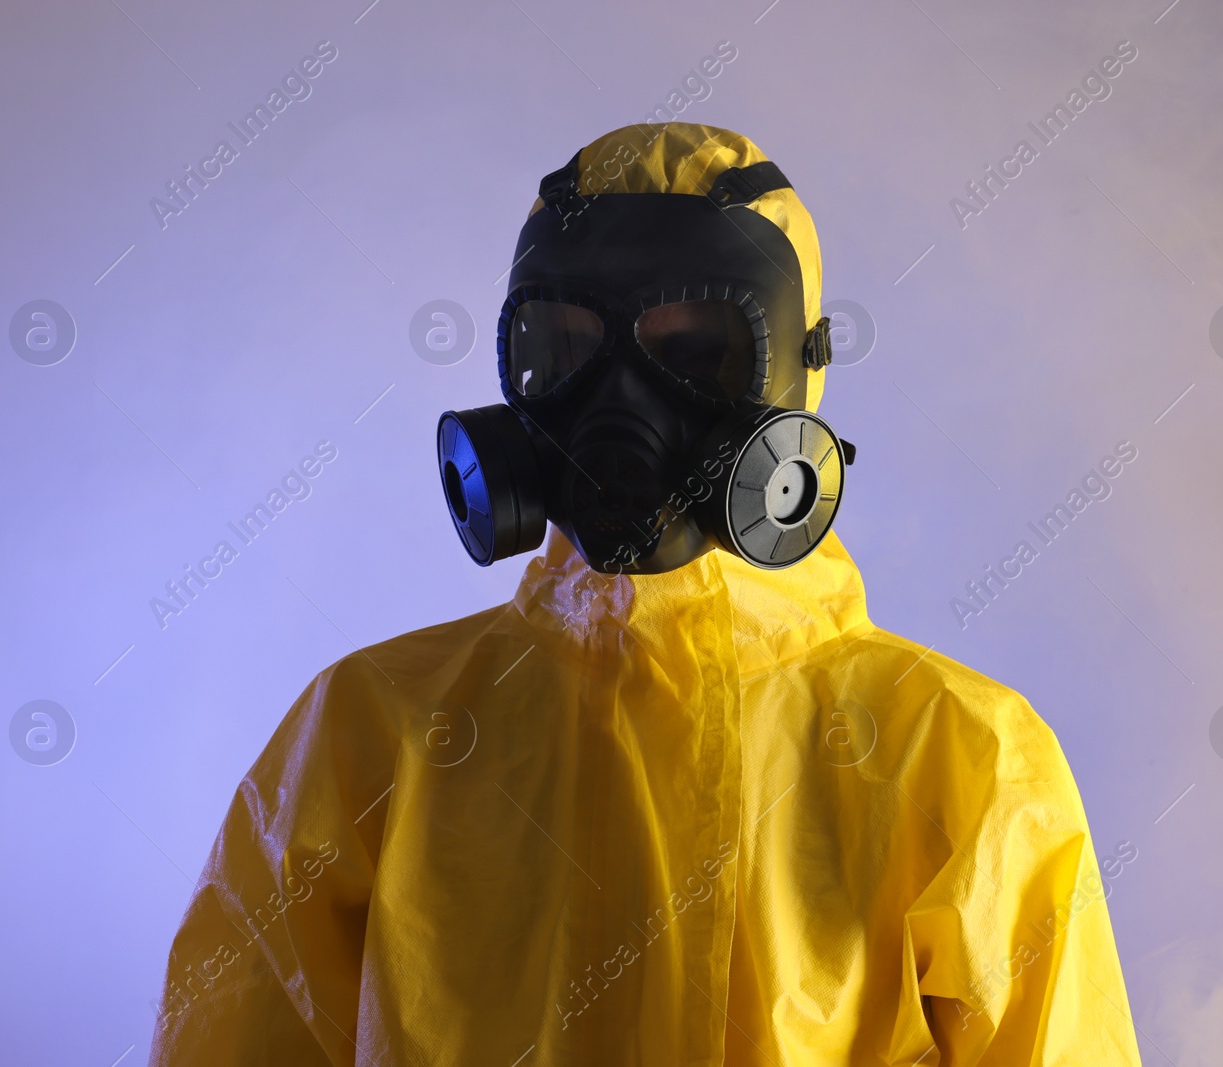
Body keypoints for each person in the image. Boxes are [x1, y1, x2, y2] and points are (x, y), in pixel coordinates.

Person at [149, 123, 1142, 1066]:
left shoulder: (957, 758)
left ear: (799, 373)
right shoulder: (367, 738)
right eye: (569, 348)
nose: (619, 403)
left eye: (697, 352)